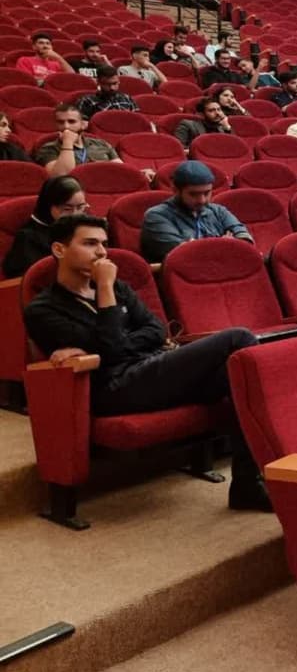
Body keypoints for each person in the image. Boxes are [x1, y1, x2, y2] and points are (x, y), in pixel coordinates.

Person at [24, 215, 268, 510]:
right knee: (239, 338)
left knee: (237, 375)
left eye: (104, 244)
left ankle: (247, 483)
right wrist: (105, 289)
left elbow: (155, 330)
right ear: (59, 249)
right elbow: (113, 351)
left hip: (152, 368)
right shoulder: (43, 309)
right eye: (89, 243)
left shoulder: (120, 288)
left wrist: (118, 342)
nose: (101, 252)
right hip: (115, 388)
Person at [139, 161, 252, 262]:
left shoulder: (218, 211)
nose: (202, 200)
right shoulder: (156, 216)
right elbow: (188, 255)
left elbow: (245, 241)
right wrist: (225, 244)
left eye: (207, 193)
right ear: (176, 190)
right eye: (193, 194)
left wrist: (200, 246)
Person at [3, 176, 88, 278]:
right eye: (67, 209)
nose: (76, 215)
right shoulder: (28, 237)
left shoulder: (87, 226)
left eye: (80, 207)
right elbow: (29, 280)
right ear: (48, 206)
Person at [34, 104, 123, 177]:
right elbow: (60, 176)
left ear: (83, 124)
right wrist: (67, 143)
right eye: (60, 122)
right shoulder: (48, 149)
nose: (66, 126)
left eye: (71, 121)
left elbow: (121, 171)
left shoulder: (101, 144)